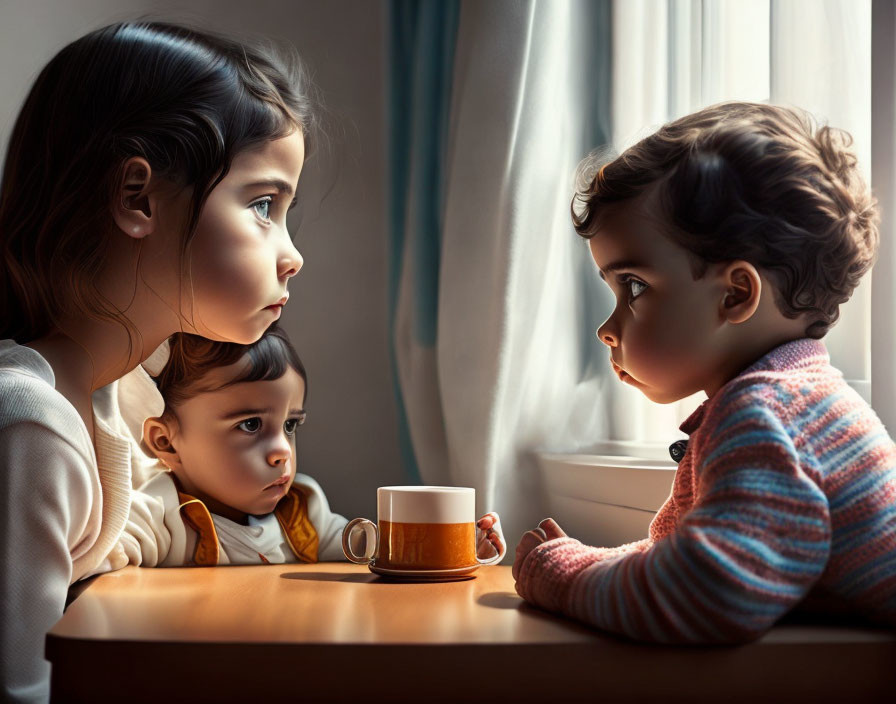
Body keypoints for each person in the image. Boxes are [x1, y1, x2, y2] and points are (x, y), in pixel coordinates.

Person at [0, 21, 310, 701]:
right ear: (138, 198)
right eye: (264, 205)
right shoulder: (30, 426)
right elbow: (21, 686)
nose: (293, 254)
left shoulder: (123, 396)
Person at [513, 101, 896, 642]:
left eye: (635, 287)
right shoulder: (792, 398)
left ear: (736, 294)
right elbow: (696, 555)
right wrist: (581, 557)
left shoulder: (762, 413)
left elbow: (706, 591)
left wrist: (560, 574)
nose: (607, 327)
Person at [100, 324, 349, 566]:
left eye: (290, 425)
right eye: (250, 425)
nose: (283, 451)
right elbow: (102, 559)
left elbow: (362, 549)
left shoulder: (303, 508)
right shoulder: (158, 517)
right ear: (167, 443)